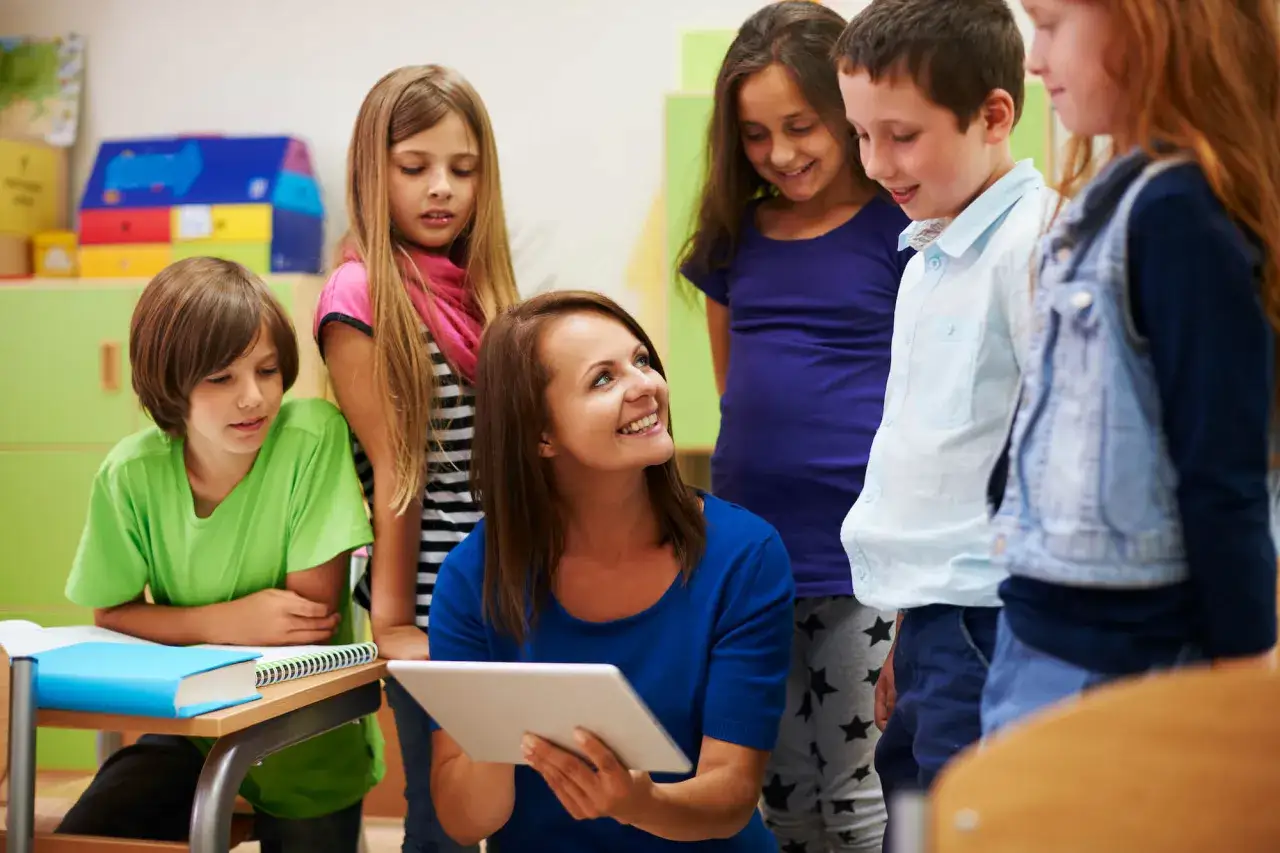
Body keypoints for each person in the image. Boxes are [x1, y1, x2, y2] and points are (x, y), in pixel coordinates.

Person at [982, 0, 1280, 734]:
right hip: (1043, 625)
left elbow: (1221, 469)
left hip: (1124, 658)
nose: (1033, 59)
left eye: (1050, 25)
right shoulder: (1116, 198)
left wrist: (1244, 677)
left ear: (1152, 25)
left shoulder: (1180, 213)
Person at [424, 291, 794, 852]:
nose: (645, 385)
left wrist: (638, 804)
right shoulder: (472, 576)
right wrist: (495, 735)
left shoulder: (745, 555)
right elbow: (463, 821)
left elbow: (732, 792)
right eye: (603, 379)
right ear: (539, 436)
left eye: (641, 361)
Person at [679, 4, 911, 847]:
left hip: (866, 558)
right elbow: (733, 391)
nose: (779, 153)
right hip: (754, 555)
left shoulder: (901, 227)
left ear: (846, 111)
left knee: (859, 781)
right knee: (775, 779)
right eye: (753, 134)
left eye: (799, 126)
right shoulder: (733, 236)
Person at [57, 257, 381, 853]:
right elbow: (112, 613)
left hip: (303, 734)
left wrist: (176, 627)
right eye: (220, 378)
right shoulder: (129, 473)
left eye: (267, 370)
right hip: (192, 728)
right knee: (87, 834)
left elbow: (301, 625)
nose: (253, 398)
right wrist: (223, 621)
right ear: (168, 382)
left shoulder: (311, 435)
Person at [833, 0, 1056, 842]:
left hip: (994, 620)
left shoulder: (1033, 244)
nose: (875, 161)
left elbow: (1050, 455)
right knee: (915, 822)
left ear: (994, 115)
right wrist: (902, 626)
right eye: (860, 134)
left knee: (970, 827)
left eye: (901, 134)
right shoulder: (928, 255)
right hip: (932, 616)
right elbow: (929, 471)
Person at [314, 65, 520, 853]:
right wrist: (394, 624)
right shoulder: (359, 295)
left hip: (508, 588)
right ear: (375, 171)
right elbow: (395, 472)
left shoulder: (483, 289)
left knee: (520, 810)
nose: (442, 189)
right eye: (415, 168)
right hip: (432, 606)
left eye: (462, 170)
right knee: (440, 828)